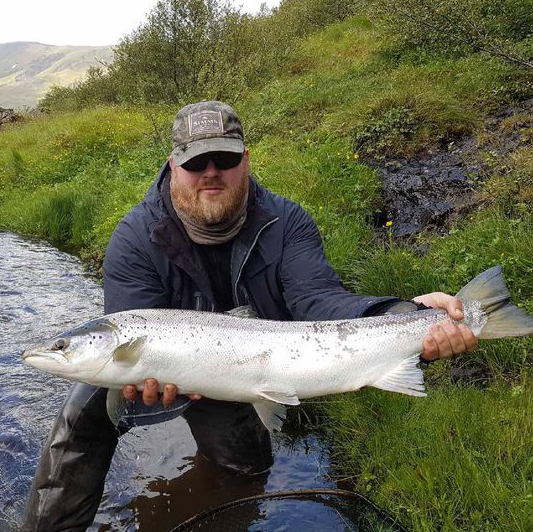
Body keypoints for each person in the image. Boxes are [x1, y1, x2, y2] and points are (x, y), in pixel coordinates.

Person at [23, 101, 478, 531]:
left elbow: (320, 301)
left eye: (223, 158)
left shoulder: (286, 222)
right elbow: (128, 322)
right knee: (85, 407)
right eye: (196, 163)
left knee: (246, 468)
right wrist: (139, 382)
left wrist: (405, 314)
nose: (211, 173)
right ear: (173, 165)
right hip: (175, 375)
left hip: (251, 370)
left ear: (246, 160)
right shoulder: (136, 236)